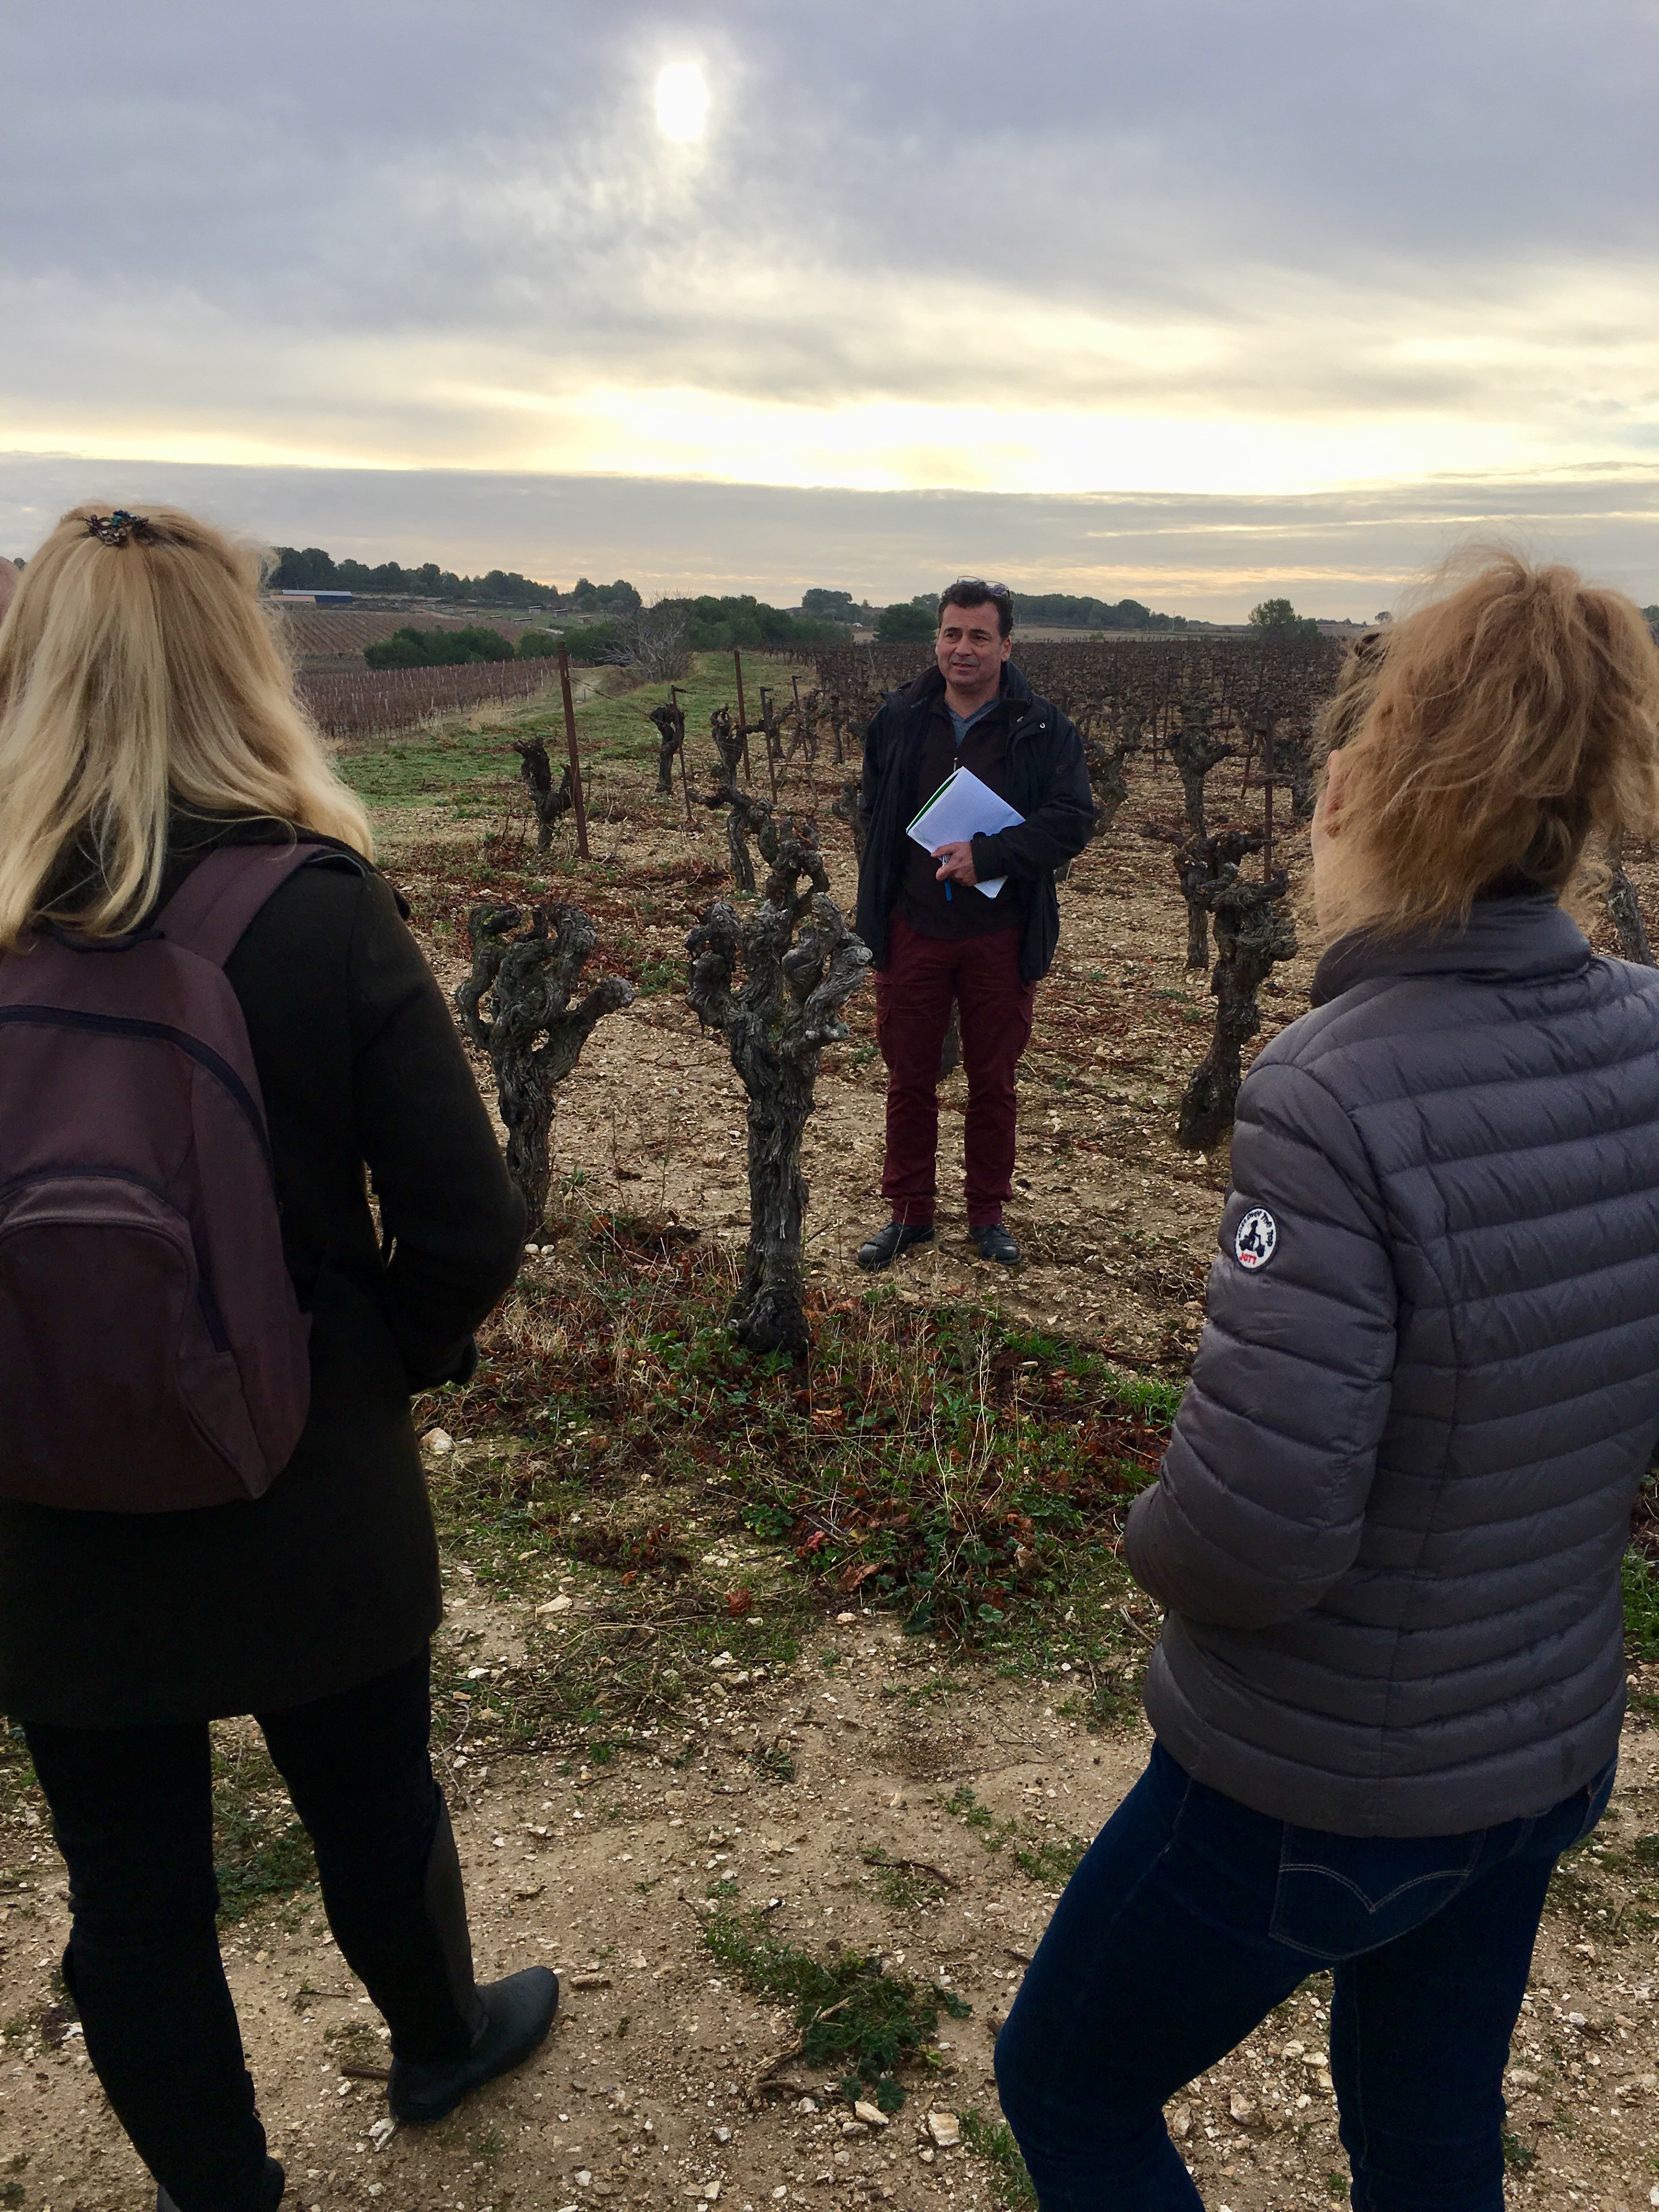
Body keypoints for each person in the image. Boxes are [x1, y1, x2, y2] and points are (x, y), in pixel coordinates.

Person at [994, 552, 1659, 2212]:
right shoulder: (1650, 1032)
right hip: (1545, 1750)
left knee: (1066, 2083)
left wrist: (1145, 1534)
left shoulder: (1328, 1090)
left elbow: (1259, 1531)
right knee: (1429, 2142)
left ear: (1386, 786)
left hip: (1320, 1781)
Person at [0, 506, 549, 2212]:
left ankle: (220, 2194)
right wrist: (366, 1370)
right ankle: (441, 2036)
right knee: (373, 1797)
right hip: (305, 1482)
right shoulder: (318, 911)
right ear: (249, 667)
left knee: (132, 1893)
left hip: (42, 1503)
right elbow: (467, 1225)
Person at [853, 579, 1094, 1269]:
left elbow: (1074, 819)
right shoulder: (899, 717)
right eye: (952, 634)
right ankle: (909, 1213)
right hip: (914, 927)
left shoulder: (1044, 727)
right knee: (909, 1075)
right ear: (937, 640)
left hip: (1000, 930)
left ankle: (987, 1214)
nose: (963, 649)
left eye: (979, 636)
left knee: (994, 1080)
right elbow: (874, 810)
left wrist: (986, 854)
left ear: (1005, 645)